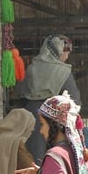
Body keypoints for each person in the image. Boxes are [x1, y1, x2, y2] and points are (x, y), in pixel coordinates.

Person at [15, 34, 81, 163]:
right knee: (55, 160)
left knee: (33, 160)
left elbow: (19, 94)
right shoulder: (63, 72)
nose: (67, 57)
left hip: (29, 119)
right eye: (66, 53)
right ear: (58, 51)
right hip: (53, 119)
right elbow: (75, 101)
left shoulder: (31, 68)